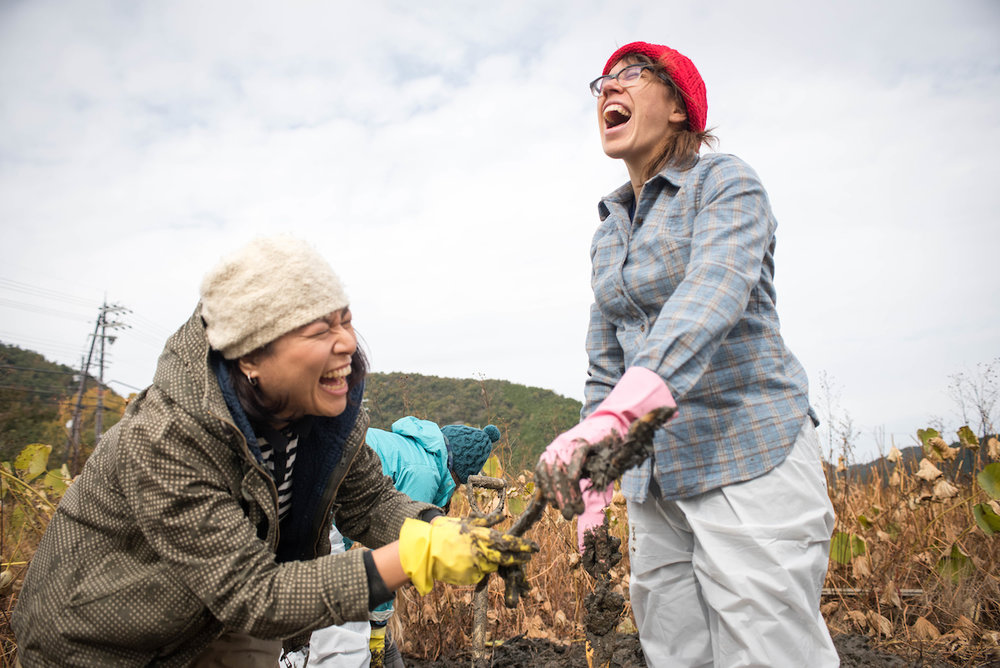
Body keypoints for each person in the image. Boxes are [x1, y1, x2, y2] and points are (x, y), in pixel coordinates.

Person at [12, 236, 536, 668]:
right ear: (250, 358)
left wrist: (432, 525)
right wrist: (410, 557)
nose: (348, 343)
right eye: (318, 330)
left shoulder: (326, 416)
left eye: (345, 319)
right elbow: (251, 593)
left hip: (221, 616)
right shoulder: (169, 439)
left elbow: (370, 501)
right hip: (104, 638)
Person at [535, 42, 839, 666]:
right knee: (675, 649)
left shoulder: (725, 183)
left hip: (745, 452)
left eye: (631, 75)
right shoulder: (610, 229)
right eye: (603, 82)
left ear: (679, 105)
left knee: (768, 650)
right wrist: (598, 472)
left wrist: (619, 416)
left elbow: (711, 296)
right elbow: (605, 359)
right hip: (657, 480)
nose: (609, 89)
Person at [302, 418, 501, 668]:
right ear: (457, 474)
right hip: (315, 513)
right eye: (459, 484)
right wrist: (378, 626)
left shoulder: (415, 449)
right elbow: (393, 553)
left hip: (314, 505)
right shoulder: (425, 474)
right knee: (343, 646)